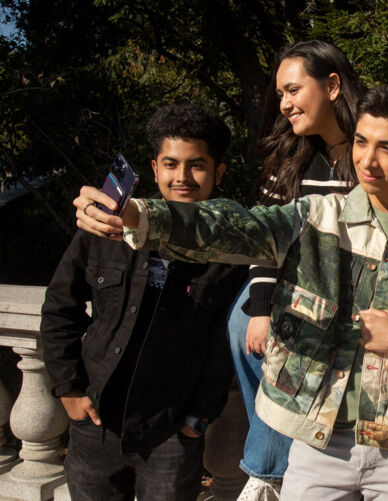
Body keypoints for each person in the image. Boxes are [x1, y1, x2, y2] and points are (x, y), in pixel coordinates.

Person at [73, 84, 388, 501]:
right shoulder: (315, 216)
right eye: (360, 142)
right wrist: (138, 214)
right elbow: (232, 225)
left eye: (387, 148)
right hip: (315, 439)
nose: (367, 161)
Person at [227, 40, 388, 499]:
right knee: (242, 322)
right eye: (279, 94)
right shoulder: (289, 158)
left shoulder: (386, 146)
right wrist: (262, 306)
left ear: (332, 85)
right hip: (298, 287)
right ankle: (277, 458)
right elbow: (266, 239)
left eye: (292, 90)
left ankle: (266, 471)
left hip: (367, 292)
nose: (283, 104)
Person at [40, 103, 247, 500]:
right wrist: (68, 389)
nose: (182, 177)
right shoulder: (106, 226)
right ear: (154, 169)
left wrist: (198, 417)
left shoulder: (230, 249)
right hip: (96, 422)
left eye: (196, 165)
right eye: (171, 164)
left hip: (170, 431)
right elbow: (60, 308)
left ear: (219, 172)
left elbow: (223, 343)